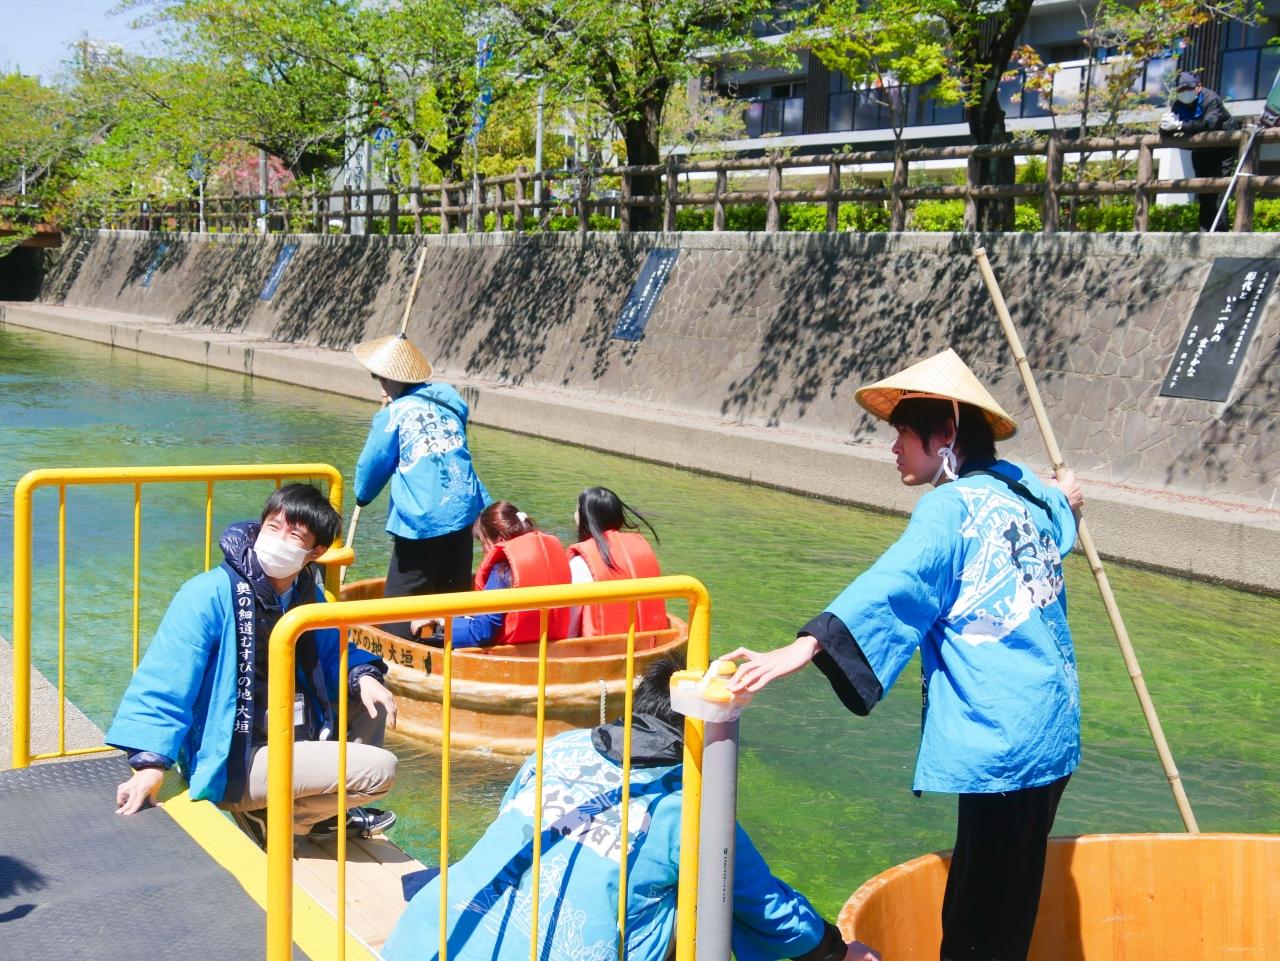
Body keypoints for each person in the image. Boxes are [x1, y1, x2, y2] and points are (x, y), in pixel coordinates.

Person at [725, 348, 1084, 961]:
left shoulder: (950, 507)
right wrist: (1069, 497)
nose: (894, 450)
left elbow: (897, 582)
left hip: (1002, 735)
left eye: (903, 437)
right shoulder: (1022, 489)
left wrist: (805, 646)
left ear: (945, 434)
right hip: (1053, 729)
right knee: (1009, 894)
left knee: (977, 919)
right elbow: (1064, 514)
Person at [382, 654, 880, 961]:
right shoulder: (687, 807)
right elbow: (764, 905)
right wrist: (836, 951)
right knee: (707, 894)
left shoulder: (562, 745)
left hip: (427, 939)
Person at [107, 483, 399, 844]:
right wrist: (149, 765)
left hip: (287, 730)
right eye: (273, 527)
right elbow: (166, 678)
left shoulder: (309, 595)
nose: (278, 540)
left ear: (315, 552)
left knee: (372, 702)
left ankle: (294, 812)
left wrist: (364, 674)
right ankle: (290, 818)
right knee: (380, 770)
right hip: (233, 753)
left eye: (295, 535)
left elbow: (333, 652)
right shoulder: (209, 592)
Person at [353, 333, 491, 637]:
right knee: (452, 590)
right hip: (463, 507)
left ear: (389, 379)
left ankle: (397, 659)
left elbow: (371, 466)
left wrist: (362, 496)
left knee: (404, 600)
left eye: (381, 379)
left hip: (422, 516)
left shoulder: (391, 416)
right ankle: (451, 649)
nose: (381, 385)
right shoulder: (449, 396)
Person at [411, 501, 572, 648]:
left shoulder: (502, 571)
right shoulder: (547, 558)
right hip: (548, 649)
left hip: (510, 657)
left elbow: (481, 633)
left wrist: (440, 620)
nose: (484, 552)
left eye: (484, 544)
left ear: (500, 541)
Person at [566, 486, 666, 637]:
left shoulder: (580, 564)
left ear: (587, 518)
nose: (574, 515)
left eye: (577, 510)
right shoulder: (641, 549)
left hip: (602, 653)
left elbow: (569, 626)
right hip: (650, 646)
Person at [1159, 70, 1240, 231]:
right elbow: (1167, 130)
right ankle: (1204, 228)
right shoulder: (1178, 105)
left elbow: (1209, 124)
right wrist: (1165, 126)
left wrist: (1181, 125)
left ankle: (1219, 231)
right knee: (1202, 189)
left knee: (1217, 189)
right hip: (1201, 149)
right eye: (1181, 89)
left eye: (1187, 88)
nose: (1184, 92)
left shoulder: (1211, 99)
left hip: (1222, 149)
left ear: (1198, 87)